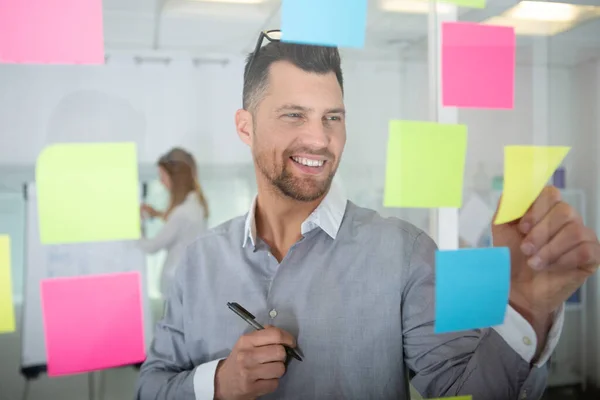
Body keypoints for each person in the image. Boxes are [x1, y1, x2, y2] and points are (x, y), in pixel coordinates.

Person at [136, 31, 600, 400]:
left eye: (332, 117)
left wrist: (527, 308)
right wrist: (219, 383)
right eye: (295, 115)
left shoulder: (405, 251)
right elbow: (150, 387)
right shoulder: (197, 263)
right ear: (246, 127)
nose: (319, 139)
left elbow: (466, 392)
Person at [139, 147, 209, 299]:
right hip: (188, 280)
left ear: (175, 179)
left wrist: (134, 228)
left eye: (162, 176)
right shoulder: (195, 204)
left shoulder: (182, 213)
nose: (161, 182)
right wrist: (156, 213)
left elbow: (151, 247)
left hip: (176, 281)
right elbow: (180, 225)